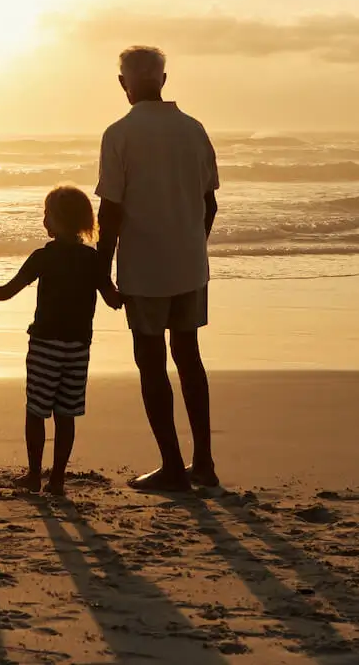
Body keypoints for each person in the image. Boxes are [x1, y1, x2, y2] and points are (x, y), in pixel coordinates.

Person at [95, 46, 220, 493]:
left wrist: (100, 272)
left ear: (124, 83)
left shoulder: (119, 134)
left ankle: (172, 465)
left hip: (144, 267)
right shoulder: (194, 130)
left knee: (151, 361)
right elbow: (210, 203)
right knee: (189, 357)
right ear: (163, 80)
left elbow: (109, 212)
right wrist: (191, 245)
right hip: (189, 263)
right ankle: (202, 461)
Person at [0, 185, 116, 495]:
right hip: (78, 347)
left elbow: (8, 291)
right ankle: (58, 479)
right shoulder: (92, 260)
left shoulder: (43, 257)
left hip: (45, 345)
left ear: (58, 220)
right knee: (66, 414)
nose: (43, 220)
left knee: (36, 411)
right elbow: (112, 298)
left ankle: (35, 474)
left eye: (46, 214)